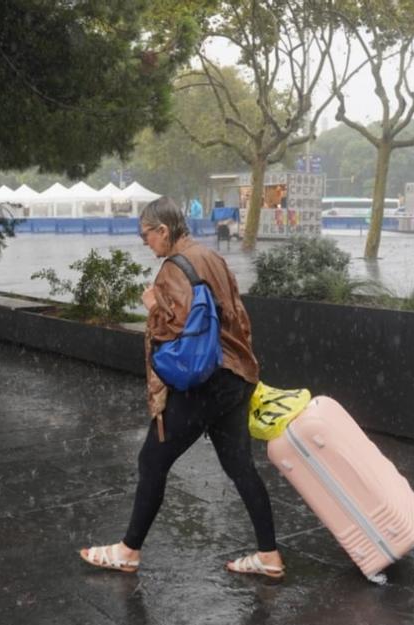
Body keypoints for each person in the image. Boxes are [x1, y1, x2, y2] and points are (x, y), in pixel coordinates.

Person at [79, 197, 284, 579]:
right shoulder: (211, 257)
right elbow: (237, 315)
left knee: (151, 461)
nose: (145, 243)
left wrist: (153, 305)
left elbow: (176, 332)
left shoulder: (173, 269)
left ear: (163, 230)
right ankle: (269, 554)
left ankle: (128, 551)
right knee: (240, 466)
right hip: (235, 375)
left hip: (202, 382)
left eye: (146, 235)